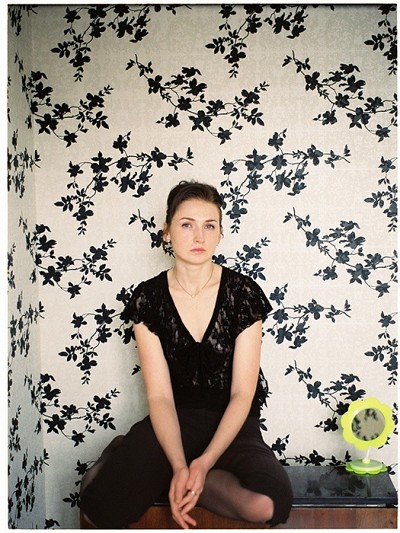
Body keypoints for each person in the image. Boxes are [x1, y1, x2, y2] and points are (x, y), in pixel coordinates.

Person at [80, 180, 293, 529]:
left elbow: (243, 393)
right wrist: (179, 464)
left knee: (267, 504)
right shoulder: (148, 298)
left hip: (232, 425)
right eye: (186, 225)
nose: (199, 237)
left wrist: (203, 463)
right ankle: (121, 453)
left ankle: (191, 479)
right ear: (167, 232)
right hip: (172, 423)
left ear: (220, 233)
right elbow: (160, 397)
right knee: (99, 512)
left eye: (209, 226)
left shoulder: (243, 293)